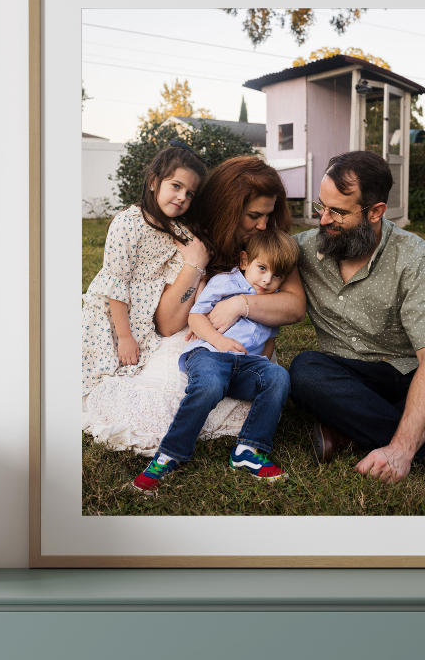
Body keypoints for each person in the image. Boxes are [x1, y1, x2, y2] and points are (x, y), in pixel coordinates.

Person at [82, 154, 306, 455]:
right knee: (166, 400)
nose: (264, 224)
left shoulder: (268, 241)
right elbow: (167, 323)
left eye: (269, 214)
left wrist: (240, 304)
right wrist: (195, 264)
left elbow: (294, 307)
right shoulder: (189, 233)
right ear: (229, 208)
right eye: (254, 215)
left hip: (243, 343)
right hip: (192, 335)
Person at [289, 150, 425, 483]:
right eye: (320, 206)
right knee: (304, 371)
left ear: (375, 212)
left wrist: (400, 451)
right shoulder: (302, 249)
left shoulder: (415, 258)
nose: (323, 220)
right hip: (345, 375)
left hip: (406, 375)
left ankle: (349, 435)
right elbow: (251, 258)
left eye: (337, 212)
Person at [132, 229, 300, 493]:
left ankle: (248, 449)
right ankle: (169, 454)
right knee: (209, 386)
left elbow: (270, 340)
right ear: (245, 261)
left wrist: (263, 365)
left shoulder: (271, 300)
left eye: (277, 275)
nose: (267, 280)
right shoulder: (225, 283)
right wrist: (219, 341)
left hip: (245, 366)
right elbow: (196, 317)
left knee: (278, 376)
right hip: (210, 355)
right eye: (262, 268)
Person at [82, 144, 211, 397]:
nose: (183, 197)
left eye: (190, 193)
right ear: (154, 182)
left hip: (147, 314)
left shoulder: (178, 229)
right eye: (176, 186)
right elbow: (116, 285)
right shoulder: (127, 223)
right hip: (115, 315)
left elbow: (196, 274)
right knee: (105, 369)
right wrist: (125, 337)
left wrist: (199, 310)